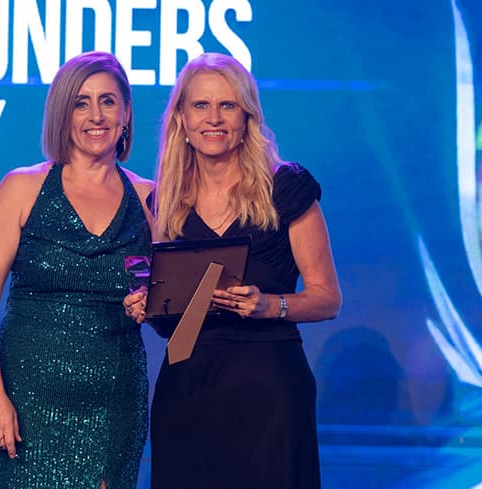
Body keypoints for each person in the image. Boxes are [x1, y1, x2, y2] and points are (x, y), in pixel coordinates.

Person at [124, 52, 342, 488]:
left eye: (228, 105)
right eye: (201, 106)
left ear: (247, 117)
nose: (214, 118)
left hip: (270, 388)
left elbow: (327, 298)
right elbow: (173, 326)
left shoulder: (287, 188)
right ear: (181, 119)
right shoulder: (163, 206)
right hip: (188, 389)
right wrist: (149, 307)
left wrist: (268, 305)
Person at [0, 51, 153, 489]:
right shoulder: (22, 187)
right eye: (80, 102)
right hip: (25, 402)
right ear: (62, 113)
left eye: (108, 101)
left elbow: (169, 305)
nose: (96, 115)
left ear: (126, 113)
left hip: (114, 403)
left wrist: (151, 307)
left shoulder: (150, 199)